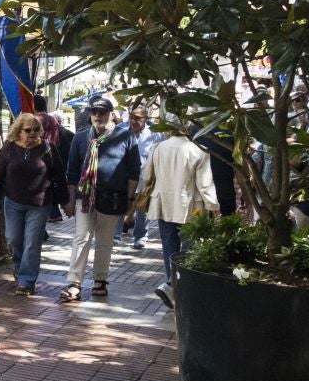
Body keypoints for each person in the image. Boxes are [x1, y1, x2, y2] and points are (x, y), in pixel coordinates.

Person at [59, 98, 139, 303]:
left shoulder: (125, 136)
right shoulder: (81, 137)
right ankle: (74, 282)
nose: (97, 115)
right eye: (94, 112)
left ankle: (100, 280)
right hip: (85, 198)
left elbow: (133, 172)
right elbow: (72, 172)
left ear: (111, 114)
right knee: (81, 238)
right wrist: (69, 200)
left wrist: (130, 201)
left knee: (104, 241)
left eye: (102, 112)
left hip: (113, 199)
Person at [138, 127, 219, 307]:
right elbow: (205, 184)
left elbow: (147, 175)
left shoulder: (158, 148)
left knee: (169, 248)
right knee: (189, 250)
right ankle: (177, 289)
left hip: (163, 203)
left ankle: (172, 287)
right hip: (191, 206)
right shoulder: (198, 150)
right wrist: (213, 206)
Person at [0, 113, 54, 296]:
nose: (32, 133)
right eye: (28, 130)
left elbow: (58, 175)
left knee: (32, 242)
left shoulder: (48, 148)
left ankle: (26, 281)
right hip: (13, 203)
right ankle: (18, 268)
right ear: (19, 131)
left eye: (36, 129)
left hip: (39, 204)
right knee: (13, 239)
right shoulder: (8, 149)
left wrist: (66, 202)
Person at [115, 106, 156, 248]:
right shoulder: (119, 130)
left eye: (137, 118)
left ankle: (140, 237)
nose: (133, 121)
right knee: (120, 206)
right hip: (122, 178)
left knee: (142, 210)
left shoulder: (155, 134)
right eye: (131, 117)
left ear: (146, 118)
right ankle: (116, 235)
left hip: (144, 178)